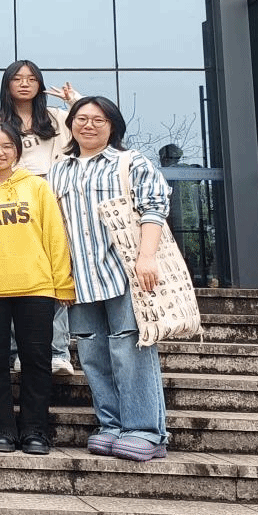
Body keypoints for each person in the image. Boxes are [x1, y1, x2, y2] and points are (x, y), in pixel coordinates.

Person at [48, 96, 171, 462]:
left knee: (130, 350)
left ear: (112, 125)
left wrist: (146, 257)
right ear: (70, 125)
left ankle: (146, 431)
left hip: (125, 273)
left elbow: (154, 207)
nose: (88, 125)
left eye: (98, 119)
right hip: (81, 278)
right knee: (92, 354)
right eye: (81, 118)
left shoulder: (130, 162)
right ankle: (112, 425)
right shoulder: (58, 169)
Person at [0, 122, 74, 455]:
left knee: (37, 361)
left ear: (17, 152)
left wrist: (63, 284)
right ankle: (1, 430)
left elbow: (55, 236)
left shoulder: (36, 187)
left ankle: (36, 431)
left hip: (36, 287)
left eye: (7, 146)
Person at [0, 59, 80, 376]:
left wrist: (73, 101)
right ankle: (20, 352)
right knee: (18, 274)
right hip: (14, 203)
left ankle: (57, 351)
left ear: (39, 84)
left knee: (54, 272)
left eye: (31, 78)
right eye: (17, 78)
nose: (25, 83)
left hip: (54, 196)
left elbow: (91, 125)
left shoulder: (57, 118)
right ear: (7, 85)